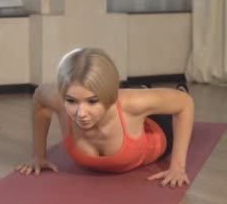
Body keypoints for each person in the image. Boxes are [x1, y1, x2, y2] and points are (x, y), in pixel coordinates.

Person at [16, 47, 194, 188]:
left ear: (109, 95)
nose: (81, 113)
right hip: (130, 105)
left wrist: (177, 167)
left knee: (156, 102)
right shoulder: (58, 100)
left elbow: (185, 104)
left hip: (157, 125)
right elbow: (39, 96)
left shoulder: (130, 104)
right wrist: (38, 155)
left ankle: (162, 89)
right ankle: (141, 88)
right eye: (71, 101)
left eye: (92, 102)